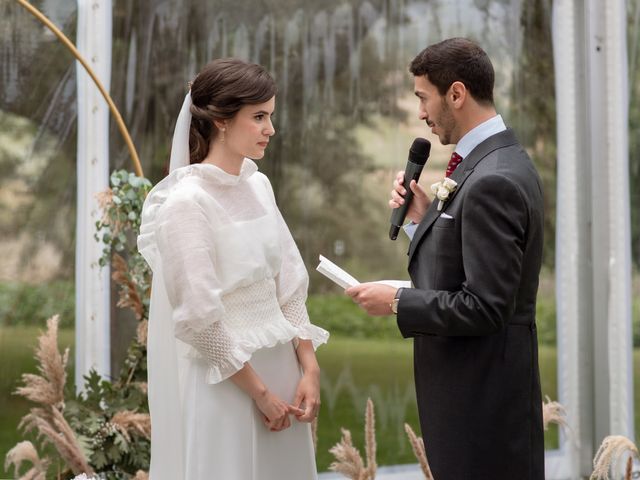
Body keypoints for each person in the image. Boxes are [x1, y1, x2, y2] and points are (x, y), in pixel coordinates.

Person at [346, 38, 545, 480]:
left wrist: (397, 302)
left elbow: (486, 306)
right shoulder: (489, 162)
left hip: (485, 411)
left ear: (456, 94)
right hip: (470, 404)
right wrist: (421, 222)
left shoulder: (494, 178)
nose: (420, 113)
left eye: (422, 97)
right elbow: (463, 269)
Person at [137, 58, 329, 480]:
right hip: (227, 382)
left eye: (271, 116)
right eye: (259, 117)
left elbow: (290, 286)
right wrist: (260, 395)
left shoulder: (258, 185)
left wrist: (309, 367)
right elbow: (199, 317)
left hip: (282, 371)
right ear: (222, 121)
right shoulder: (186, 202)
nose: (270, 129)